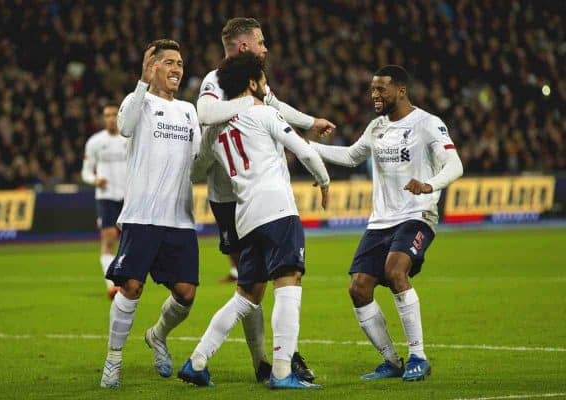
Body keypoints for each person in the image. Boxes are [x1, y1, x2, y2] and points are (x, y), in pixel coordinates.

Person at [193, 16, 332, 383]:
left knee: (247, 292)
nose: (266, 48)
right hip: (253, 201)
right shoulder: (217, 81)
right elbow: (205, 113)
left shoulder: (255, 95)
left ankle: (198, 360)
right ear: (243, 47)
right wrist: (252, 108)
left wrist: (308, 120)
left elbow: (275, 105)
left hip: (244, 205)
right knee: (287, 280)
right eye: (261, 42)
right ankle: (280, 367)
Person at [310, 65, 463, 381]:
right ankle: (391, 361)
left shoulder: (427, 124)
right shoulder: (376, 127)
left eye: (381, 89)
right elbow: (352, 156)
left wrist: (429, 185)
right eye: (372, 89)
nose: (374, 95)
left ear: (401, 90)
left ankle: (418, 356)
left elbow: (455, 164)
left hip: (417, 214)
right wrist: (306, 148)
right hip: (381, 220)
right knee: (359, 288)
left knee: (395, 272)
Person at [99, 39, 201, 388]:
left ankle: (157, 335)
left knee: (186, 294)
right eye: (169, 62)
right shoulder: (137, 101)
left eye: (180, 64)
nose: (176, 69)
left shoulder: (189, 110)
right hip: (142, 214)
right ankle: (113, 359)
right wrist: (141, 82)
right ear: (153, 66)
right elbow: (124, 127)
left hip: (180, 218)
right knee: (131, 286)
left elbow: (198, 162)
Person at [81, 103, 128, 300]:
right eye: (107, 115)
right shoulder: (95, 142)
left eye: (113, 114)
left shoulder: (129, 139)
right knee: (108, 240)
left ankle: (126, 279)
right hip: (106, 197)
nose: (110, 118)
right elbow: (85, 172)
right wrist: (95, 180)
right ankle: (111, 285)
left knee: (129, 242)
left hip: (128, 196)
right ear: (103, 118)